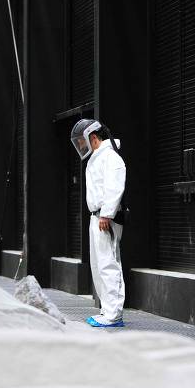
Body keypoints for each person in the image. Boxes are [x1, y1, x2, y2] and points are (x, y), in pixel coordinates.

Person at [70, 119, 126, 328]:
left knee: (108, 263)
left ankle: (113, 315)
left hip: (105, 217)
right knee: (98, 264)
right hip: (97, 216)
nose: (82, 147)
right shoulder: (98, 157)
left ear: (93, 137)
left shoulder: (110, 157)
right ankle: (107, 310)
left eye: (83, 142)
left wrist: (106, 214)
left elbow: (114, 187)